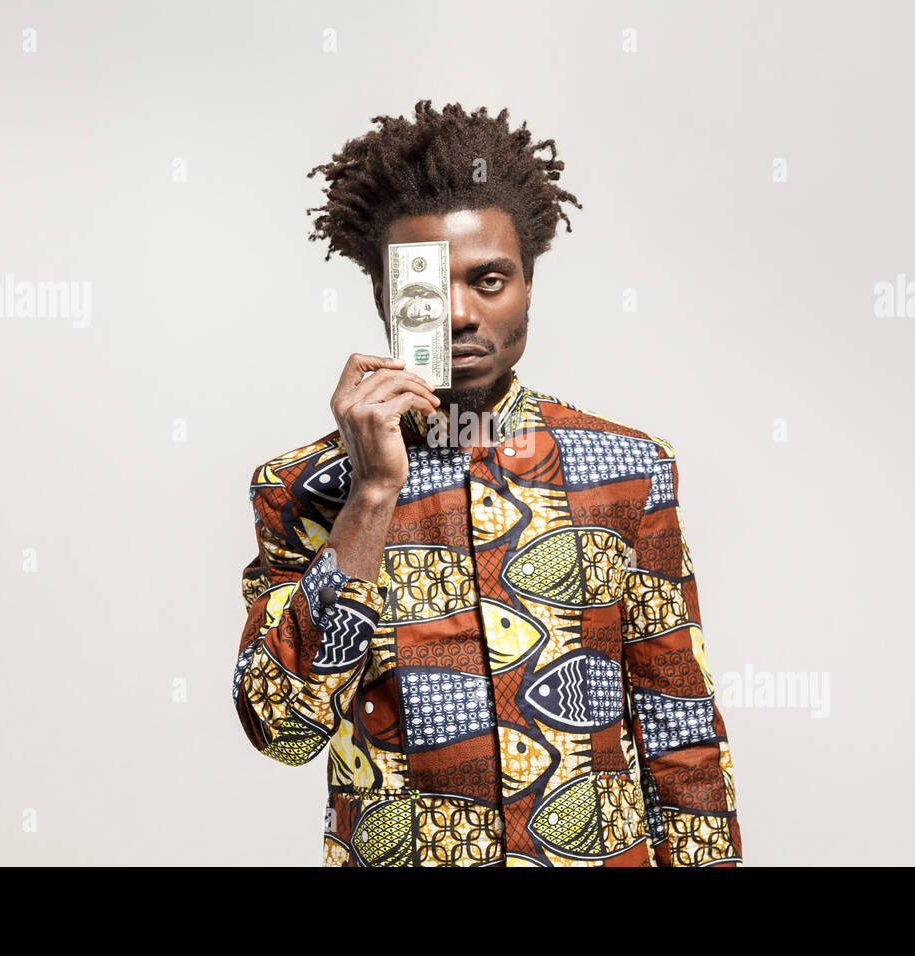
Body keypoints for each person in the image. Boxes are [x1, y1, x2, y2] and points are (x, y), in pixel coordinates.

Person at [232, 100, 743, 867]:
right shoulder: (300, 489)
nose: (462, 314)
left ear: (529, 284)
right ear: (381, 297)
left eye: (490, 280)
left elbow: (679, 726)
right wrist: (370, 495)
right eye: (430, 290)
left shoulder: (628, 471)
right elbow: (284, 730)